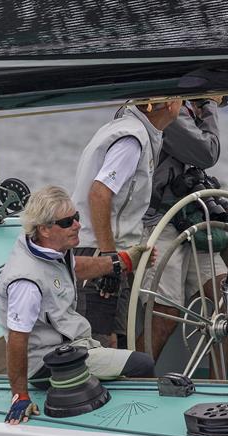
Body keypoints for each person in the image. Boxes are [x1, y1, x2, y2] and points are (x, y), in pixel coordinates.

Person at [0, 186, 155, 425]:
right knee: (143, 365)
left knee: (114, 350)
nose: (78, 225)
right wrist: (20, 395)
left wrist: (121, 261)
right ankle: (139, 422)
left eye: (77, 217)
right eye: (67, 222)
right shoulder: (26, 283)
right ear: (45, 229)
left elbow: (76, 267)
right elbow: (17, 338)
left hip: (71, 345)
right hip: (48, 364)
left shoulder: (51, 250)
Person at [71, 98, 182, 349]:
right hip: (101, 253)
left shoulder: (132, 130)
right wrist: (110, 261)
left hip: (109, 251)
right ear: (166, 105)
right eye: (178, 97)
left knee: (115, 341)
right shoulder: (132, 139)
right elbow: (99, 193)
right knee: (103, 344)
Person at [138, 96, 228, 368]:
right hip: (161, 223)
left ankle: (221, 386)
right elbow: (207, 153)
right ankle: (135, 382)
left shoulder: (185, 108)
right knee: (165, 314)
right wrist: (210, 105)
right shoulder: (165, 109)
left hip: (188, 219)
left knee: (227, 299)